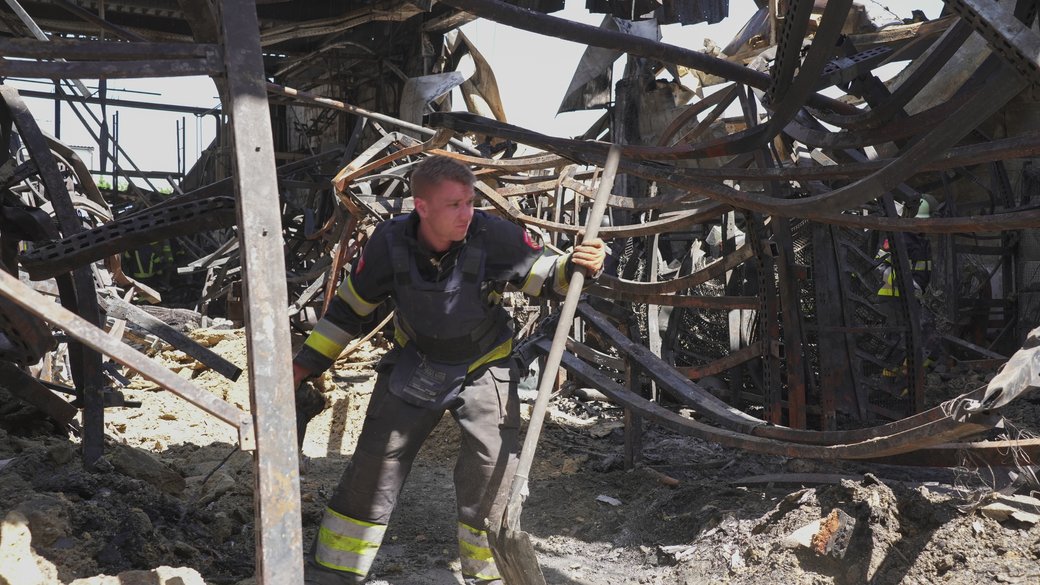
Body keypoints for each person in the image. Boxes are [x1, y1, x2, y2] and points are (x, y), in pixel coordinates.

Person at [292, 155, 606, 585]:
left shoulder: (495, 236)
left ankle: (490, 576)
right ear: (421, 207)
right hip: (415, 362)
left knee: (491, 471)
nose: (467, 214)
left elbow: (548, 278)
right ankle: (332, 573)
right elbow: (349, 311)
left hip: (483, 365)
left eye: (470, 202)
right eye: (454, 205)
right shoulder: (388, 243)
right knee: (374, 466)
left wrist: (577, 266)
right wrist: (303, 365)